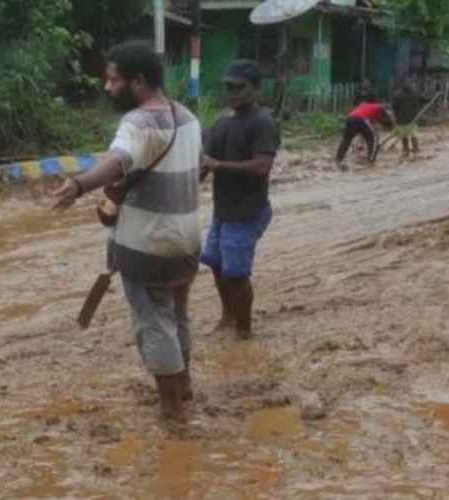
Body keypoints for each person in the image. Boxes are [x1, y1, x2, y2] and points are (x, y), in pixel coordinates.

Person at [52, 41, 202, 421]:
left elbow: (118, 160)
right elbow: (195, 169)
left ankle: (171, 413)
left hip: (148, 246)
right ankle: (184, 390)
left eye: (113, 80)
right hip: (186, 241)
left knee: (154, 323)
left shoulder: (137, 122)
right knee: (178, 314)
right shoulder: (188, 118)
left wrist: (79, 185)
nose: (107, 88)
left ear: (137, 82)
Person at [200, 60, 280, 340]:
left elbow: (262, 166)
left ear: (256, 89)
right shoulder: (221, 123)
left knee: (235, 273)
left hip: (248, 211)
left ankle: (244, 332)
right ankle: (228, 316)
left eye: (239, 87)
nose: (232, 93)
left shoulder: (263, 122)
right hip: (223, 211)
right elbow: (204, 167)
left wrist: (219, 165)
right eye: (228, 87)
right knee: (214, 263)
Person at [335, 93, 393, 169]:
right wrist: (390, 124)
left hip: (350, 118)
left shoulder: (370, 108)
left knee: (346, 140)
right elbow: (386, 117)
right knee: (374, 139)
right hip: (361, 119)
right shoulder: (380, 108)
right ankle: (371, 161)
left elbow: (373, 123)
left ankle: (338, 159)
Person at [391, 80, 425, 159]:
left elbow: (393, 108)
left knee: (405, 137)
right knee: (413, 136)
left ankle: (406, 151)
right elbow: (424, 100)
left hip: (401, 120)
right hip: (412, 120)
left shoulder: (397, 95)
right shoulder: (415, 93)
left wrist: (395, 119)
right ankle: (415, 152)